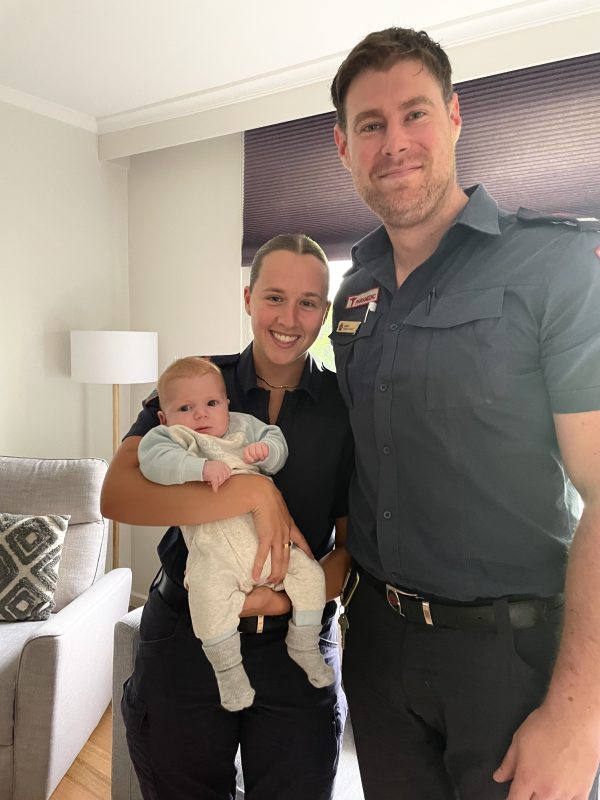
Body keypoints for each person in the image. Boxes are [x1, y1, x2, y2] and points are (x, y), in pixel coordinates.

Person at [328, 26, 600, 800]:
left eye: (414, 113)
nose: (395, 142)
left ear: (454, 116)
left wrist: (580, 716)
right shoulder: (354, 294)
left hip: (511, 665)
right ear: (342, 145)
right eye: (371, 125)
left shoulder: (554, 267)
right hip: (377, 651)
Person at [101, 233, 354, 800]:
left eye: (309, 302)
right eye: (274, 297)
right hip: (186, 639)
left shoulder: (345, 407)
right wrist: (253, 495)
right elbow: (116, 496)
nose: (289, 318)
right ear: (247, 298)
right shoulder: (194, 384)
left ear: (324, 312)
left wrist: (284, 601)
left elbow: (350, 549)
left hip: (298, 641)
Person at [137, 355, 334, 712]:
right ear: (164, 417)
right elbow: (152, 460)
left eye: (211, 403)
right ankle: (229, 673)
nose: (200, 415)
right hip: (214, 554)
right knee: (208, 605)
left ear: (227, 403)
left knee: (310, 576)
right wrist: (198, 467)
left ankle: (303, 644)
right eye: (185, 407)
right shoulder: (172, 438)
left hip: (270, 546)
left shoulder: (243, 426)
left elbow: (275, 440)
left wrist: (267, 453)